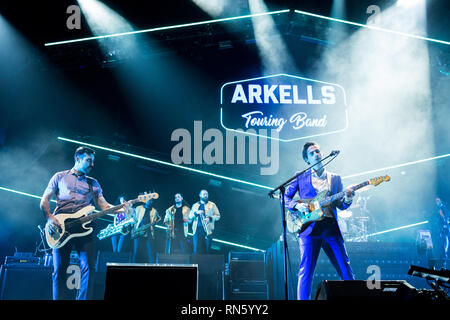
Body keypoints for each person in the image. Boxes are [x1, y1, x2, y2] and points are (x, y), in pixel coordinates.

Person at [40, 146, 131, 300]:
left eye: (93, 161)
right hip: (60, 227)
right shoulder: (59, 176)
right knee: (59, 269)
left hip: (85, 229)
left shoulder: (93, 183)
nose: (92, 164)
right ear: (78, 158)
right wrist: (49, 217)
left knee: (89, 267)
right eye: (89, 160)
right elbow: (44, 200)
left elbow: (104, 206)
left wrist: (124, 210)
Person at [284, 142, 355, 300]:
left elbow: (340, 205)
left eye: (318, 151)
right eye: (312, 153)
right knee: (306, 271)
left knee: (345, 268)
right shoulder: (300, 176)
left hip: (330, 228)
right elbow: (284, 197)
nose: (316, 154)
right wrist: (297, 205)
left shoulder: (335, 178)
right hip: (309, 229)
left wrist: (348, 199)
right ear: (307, 159)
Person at [189, 190, 220, 254]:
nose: (206, 195)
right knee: (196, 251)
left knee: (207, 251)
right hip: (196, 230)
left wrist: (210, 218)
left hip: (207, 231)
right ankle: (196, 263)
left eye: (207, 194)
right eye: (204, 194)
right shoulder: (195, 205)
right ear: (200, 195)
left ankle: (207, 263)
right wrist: (196, 212)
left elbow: (218, 216)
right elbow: (190, 216)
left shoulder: (212, 205)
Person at [131, 197, 161, 263]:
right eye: (148, 200)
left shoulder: (154, 210)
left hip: (149, 232)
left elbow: (156, 220)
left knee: (151, 251)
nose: (149, 201)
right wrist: (134, 229)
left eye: (151, 200)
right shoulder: (138, 208)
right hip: (138, 231)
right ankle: (133, 265)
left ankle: (152, 266)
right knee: (136, 251)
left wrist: (154, 223)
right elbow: (134, 219)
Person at [435, 197, 449, 268]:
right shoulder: (438, 208)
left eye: (438, 200)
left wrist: (442, 215)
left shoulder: (443, 207)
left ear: (440, 200)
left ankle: (444, 261)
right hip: (440, 230)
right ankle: (442, 261)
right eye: (436, 201)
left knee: (444, 244)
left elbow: (446, 219)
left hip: (445, 230)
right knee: (441, 245)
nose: (436, 202)